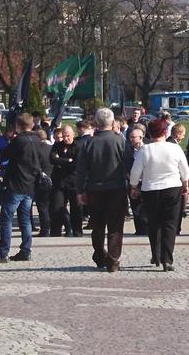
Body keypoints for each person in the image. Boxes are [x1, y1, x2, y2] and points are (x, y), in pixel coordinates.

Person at [0, 113, 48, 264]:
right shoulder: (37, 140)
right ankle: (26, 250)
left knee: (6, 218)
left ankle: (3, 252)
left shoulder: (18, 140)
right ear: (32, 125)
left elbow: (3, 155)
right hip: (30, 185)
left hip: (16, 184)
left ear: (17, 126)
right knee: (25, 219)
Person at [130, 119, 189, 271]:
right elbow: (185, 169)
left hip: (150, 189)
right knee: (170, 224)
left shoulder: (145, 150)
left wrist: (134, 186)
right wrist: (185, 184)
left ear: (149, 133)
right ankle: (167, 259)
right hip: (172, 188)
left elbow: (135, 173)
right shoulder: (175, 148)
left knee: (154, 223)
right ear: (165, 132)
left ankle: (156, 255)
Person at [76, 108, 129, 272]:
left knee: (97, 225)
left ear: (96, 123)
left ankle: (99, 254)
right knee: (115, 227)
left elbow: (81, 169)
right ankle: (113, 260)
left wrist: (80, 191)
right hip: (117, 188)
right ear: (113, 123)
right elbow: (129, 164)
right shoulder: (120, 141)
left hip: (94, 189)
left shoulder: (88, 143)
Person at [49, 125, 82, 237]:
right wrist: (67, 160)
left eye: (68, 136)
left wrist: (61, 161)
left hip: (74, 182)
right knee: (57, 207)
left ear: (73, 135)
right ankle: (58, 230)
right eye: (64, 136)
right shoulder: (57, 145)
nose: (66, 138)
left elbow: (76, 164)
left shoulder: (78, 146)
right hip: (59, 181)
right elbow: (52, 159)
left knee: (76, 208)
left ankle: (77, 231)